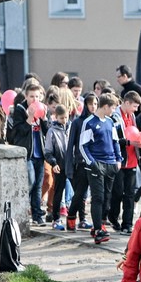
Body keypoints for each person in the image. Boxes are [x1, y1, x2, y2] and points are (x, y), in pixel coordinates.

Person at [80, 93, 122, 244]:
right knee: (98, 197)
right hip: (96, 163)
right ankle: (98, 229)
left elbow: (115, 141)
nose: (114, 110)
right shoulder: (89, 122)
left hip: (110, 163)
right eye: (113, 107)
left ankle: (100, 223)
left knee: (107, 198)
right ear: (105, 106)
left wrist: (118, 159)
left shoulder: (110, 122)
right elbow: (82, 145)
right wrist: (91, 163)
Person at [7, 83, 48, 226]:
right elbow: (19, 131)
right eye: (31, 96)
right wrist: (30, 117)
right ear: (26, 96)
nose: (34, 99)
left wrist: (44, 119)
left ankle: (37, 216)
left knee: (37, 185)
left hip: (39, 153)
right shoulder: (20, 109)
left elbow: (47, 131)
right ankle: (23, 208)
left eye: (37, 96)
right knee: (30, 182)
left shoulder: (42, 108)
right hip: (27, 153)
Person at [109, 91, 141, 234]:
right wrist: (130, 142)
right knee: (117, 192)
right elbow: (114, 139)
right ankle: (113, 217)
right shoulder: (115, 116)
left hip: (132, 160)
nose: (136, 110)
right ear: (127, 103)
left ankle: (127, 223)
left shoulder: (132, 116)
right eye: (134, 106)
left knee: (130, 194)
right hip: (120, 161)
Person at [64, 93, 97, 232]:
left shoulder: (98, 121)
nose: (93, 107)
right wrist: (69, 165)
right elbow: (71, 144)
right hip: (81, 162)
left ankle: (84, 219)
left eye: (95, 104)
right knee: (79, 193)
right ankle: (71, 216)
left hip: (95, 162)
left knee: (92, 194)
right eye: (90, 104)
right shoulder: (78, 122)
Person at [44, 105, 70, 231]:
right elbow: (48, 151)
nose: (64, 120)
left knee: (78, 191)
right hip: (59, 165)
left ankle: (78, 217)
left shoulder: (70, 128)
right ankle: (56, 218)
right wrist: (54, 163)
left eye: (66, 117)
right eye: (61, 118)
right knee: (58, 192)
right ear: (56, 117)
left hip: (71, 164)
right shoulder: (52, 131)